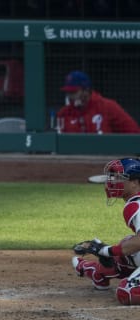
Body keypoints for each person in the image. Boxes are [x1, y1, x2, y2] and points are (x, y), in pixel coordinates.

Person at [72, 158, 140, 305]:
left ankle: (96, 271)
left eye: (119, 178)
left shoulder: (136, 206)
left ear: (135, 182)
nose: (113, 182)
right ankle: (97, 272)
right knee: (128, 248)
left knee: (128, 293)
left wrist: (106, 251)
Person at [56, 71, 140, 134]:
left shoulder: (108, 107)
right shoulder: (64, 113)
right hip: (74, 156)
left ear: (86, 91)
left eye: (73, 92)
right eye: (68, 92)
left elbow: (134, 132)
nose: (70, 96)